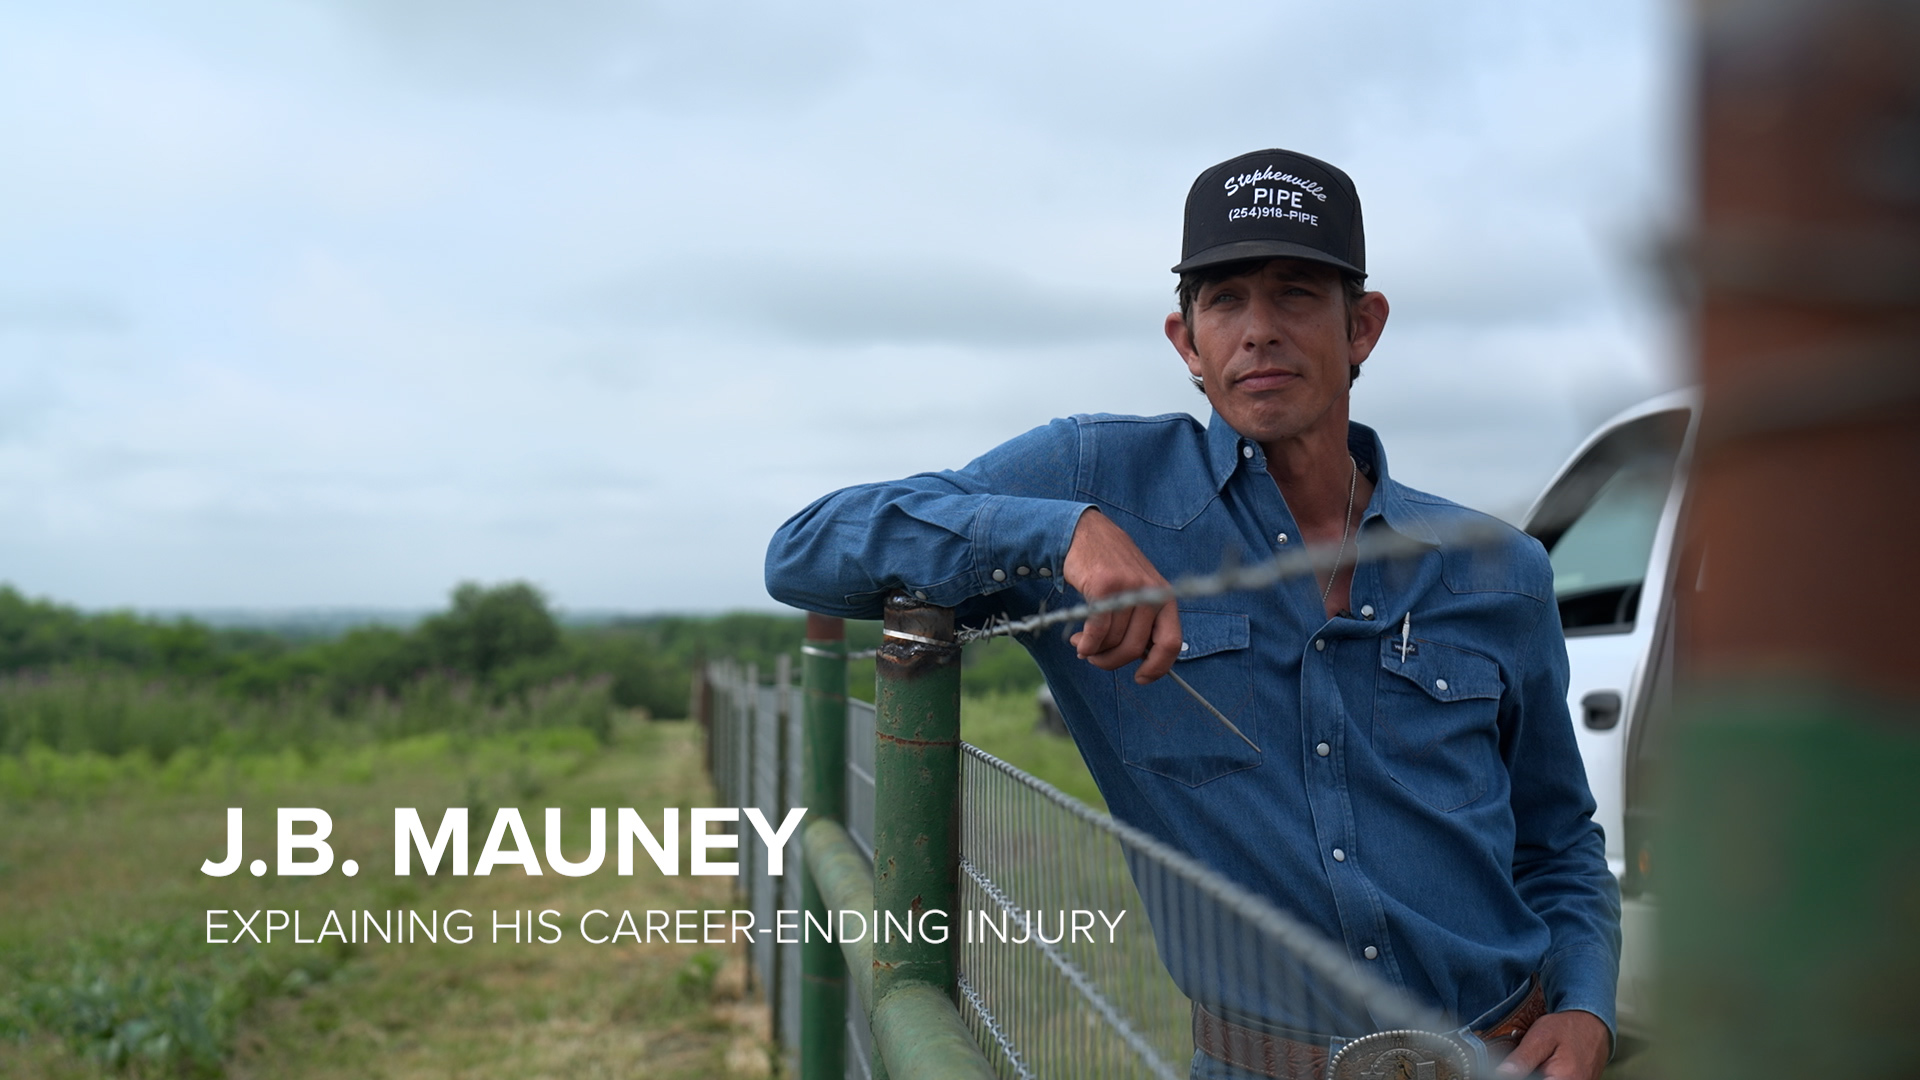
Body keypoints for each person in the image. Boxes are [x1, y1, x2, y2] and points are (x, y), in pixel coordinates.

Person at [764, 149, 1619, 1080]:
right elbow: (805, 550)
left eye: (1296, 294)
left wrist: (1585, 1006)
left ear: (1362, 326)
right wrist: (1063, 532)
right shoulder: (1092, 479)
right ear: (1185, 339)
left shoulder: (1500, 570)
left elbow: (1559, 838)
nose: (1259, 331)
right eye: (1225, 300)